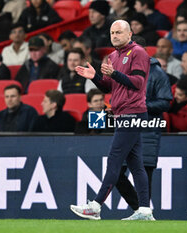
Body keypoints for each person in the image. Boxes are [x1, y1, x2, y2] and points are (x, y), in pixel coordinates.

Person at [70, 20, 154, 220]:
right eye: (112, 33)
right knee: (135, 165)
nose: (114, 36)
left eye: (118, 32)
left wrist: (115, 73)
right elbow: (108, 87)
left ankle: (96, 206)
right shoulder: (112, 56)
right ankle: (144, 210)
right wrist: (94, 77)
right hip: (122, 113)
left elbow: (138, 83)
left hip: (133, 113)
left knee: (114, 159)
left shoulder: (139, 53)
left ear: (129, 34)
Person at [115, 36, 172, 214]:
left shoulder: (156, 73)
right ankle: (140, 210)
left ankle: (143, 212)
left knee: (144, 175)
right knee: (116, 174)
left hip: (147, 130)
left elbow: (165, 102)